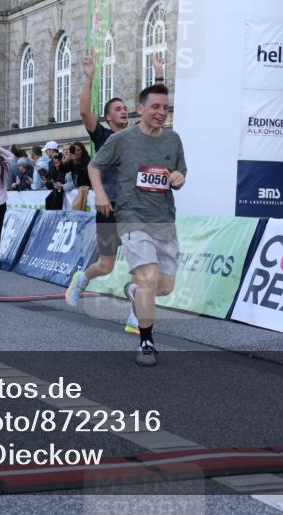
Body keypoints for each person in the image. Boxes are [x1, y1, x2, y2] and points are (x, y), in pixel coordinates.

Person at [89, 82, 186, 367]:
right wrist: (101, 193)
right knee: (148, 276)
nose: (160, 112)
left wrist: (179, 178)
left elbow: (180, 173)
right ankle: (146, 341)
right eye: (155, 107)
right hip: (132, 217)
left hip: (164, 220)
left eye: (165, 108)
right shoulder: (122, 139)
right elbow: (94, 166)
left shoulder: (173, 140)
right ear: (140, 109)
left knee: (164, 287)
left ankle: (134, 293)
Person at [65, 53, 140, 331]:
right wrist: (89, 76)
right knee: (106, 265)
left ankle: (135, 316)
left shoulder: (137, 138)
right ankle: (81, 280)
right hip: (108, 207)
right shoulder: (103, 136)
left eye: (125, 108)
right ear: (108, 117)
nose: (124, 111)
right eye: (118, 109)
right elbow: (85, 112)